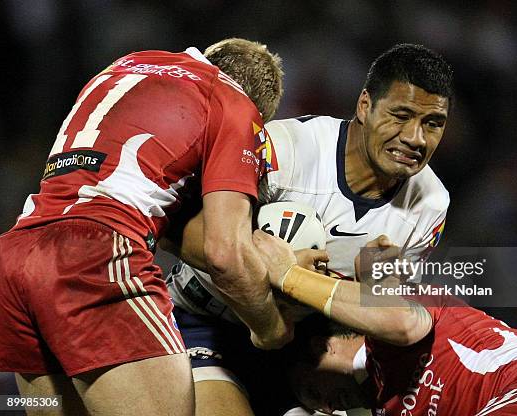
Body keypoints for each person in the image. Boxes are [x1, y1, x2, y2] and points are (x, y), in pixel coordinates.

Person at [0, 38, 288, 415]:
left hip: (15, 259)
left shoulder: (123, 65)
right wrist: (270, 327)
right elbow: (224, 254)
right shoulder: (234, 104)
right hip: (96, 256)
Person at [165, 43, 453, 415]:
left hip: (300, 350)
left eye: (433, 124)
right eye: (401, 115)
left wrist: (376, 287)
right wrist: (263, 264)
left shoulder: (430, 204)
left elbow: (376, 307)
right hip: (203, 322)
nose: (416, 138)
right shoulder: (283, 150)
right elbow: (172, 228)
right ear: (365, 105)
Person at [253, 231, 517, 416]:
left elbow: (399, 316)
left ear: (320, 347)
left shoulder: (394, 324)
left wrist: (288, 276)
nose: (330, 407)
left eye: (315, 392)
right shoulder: (384, 403)